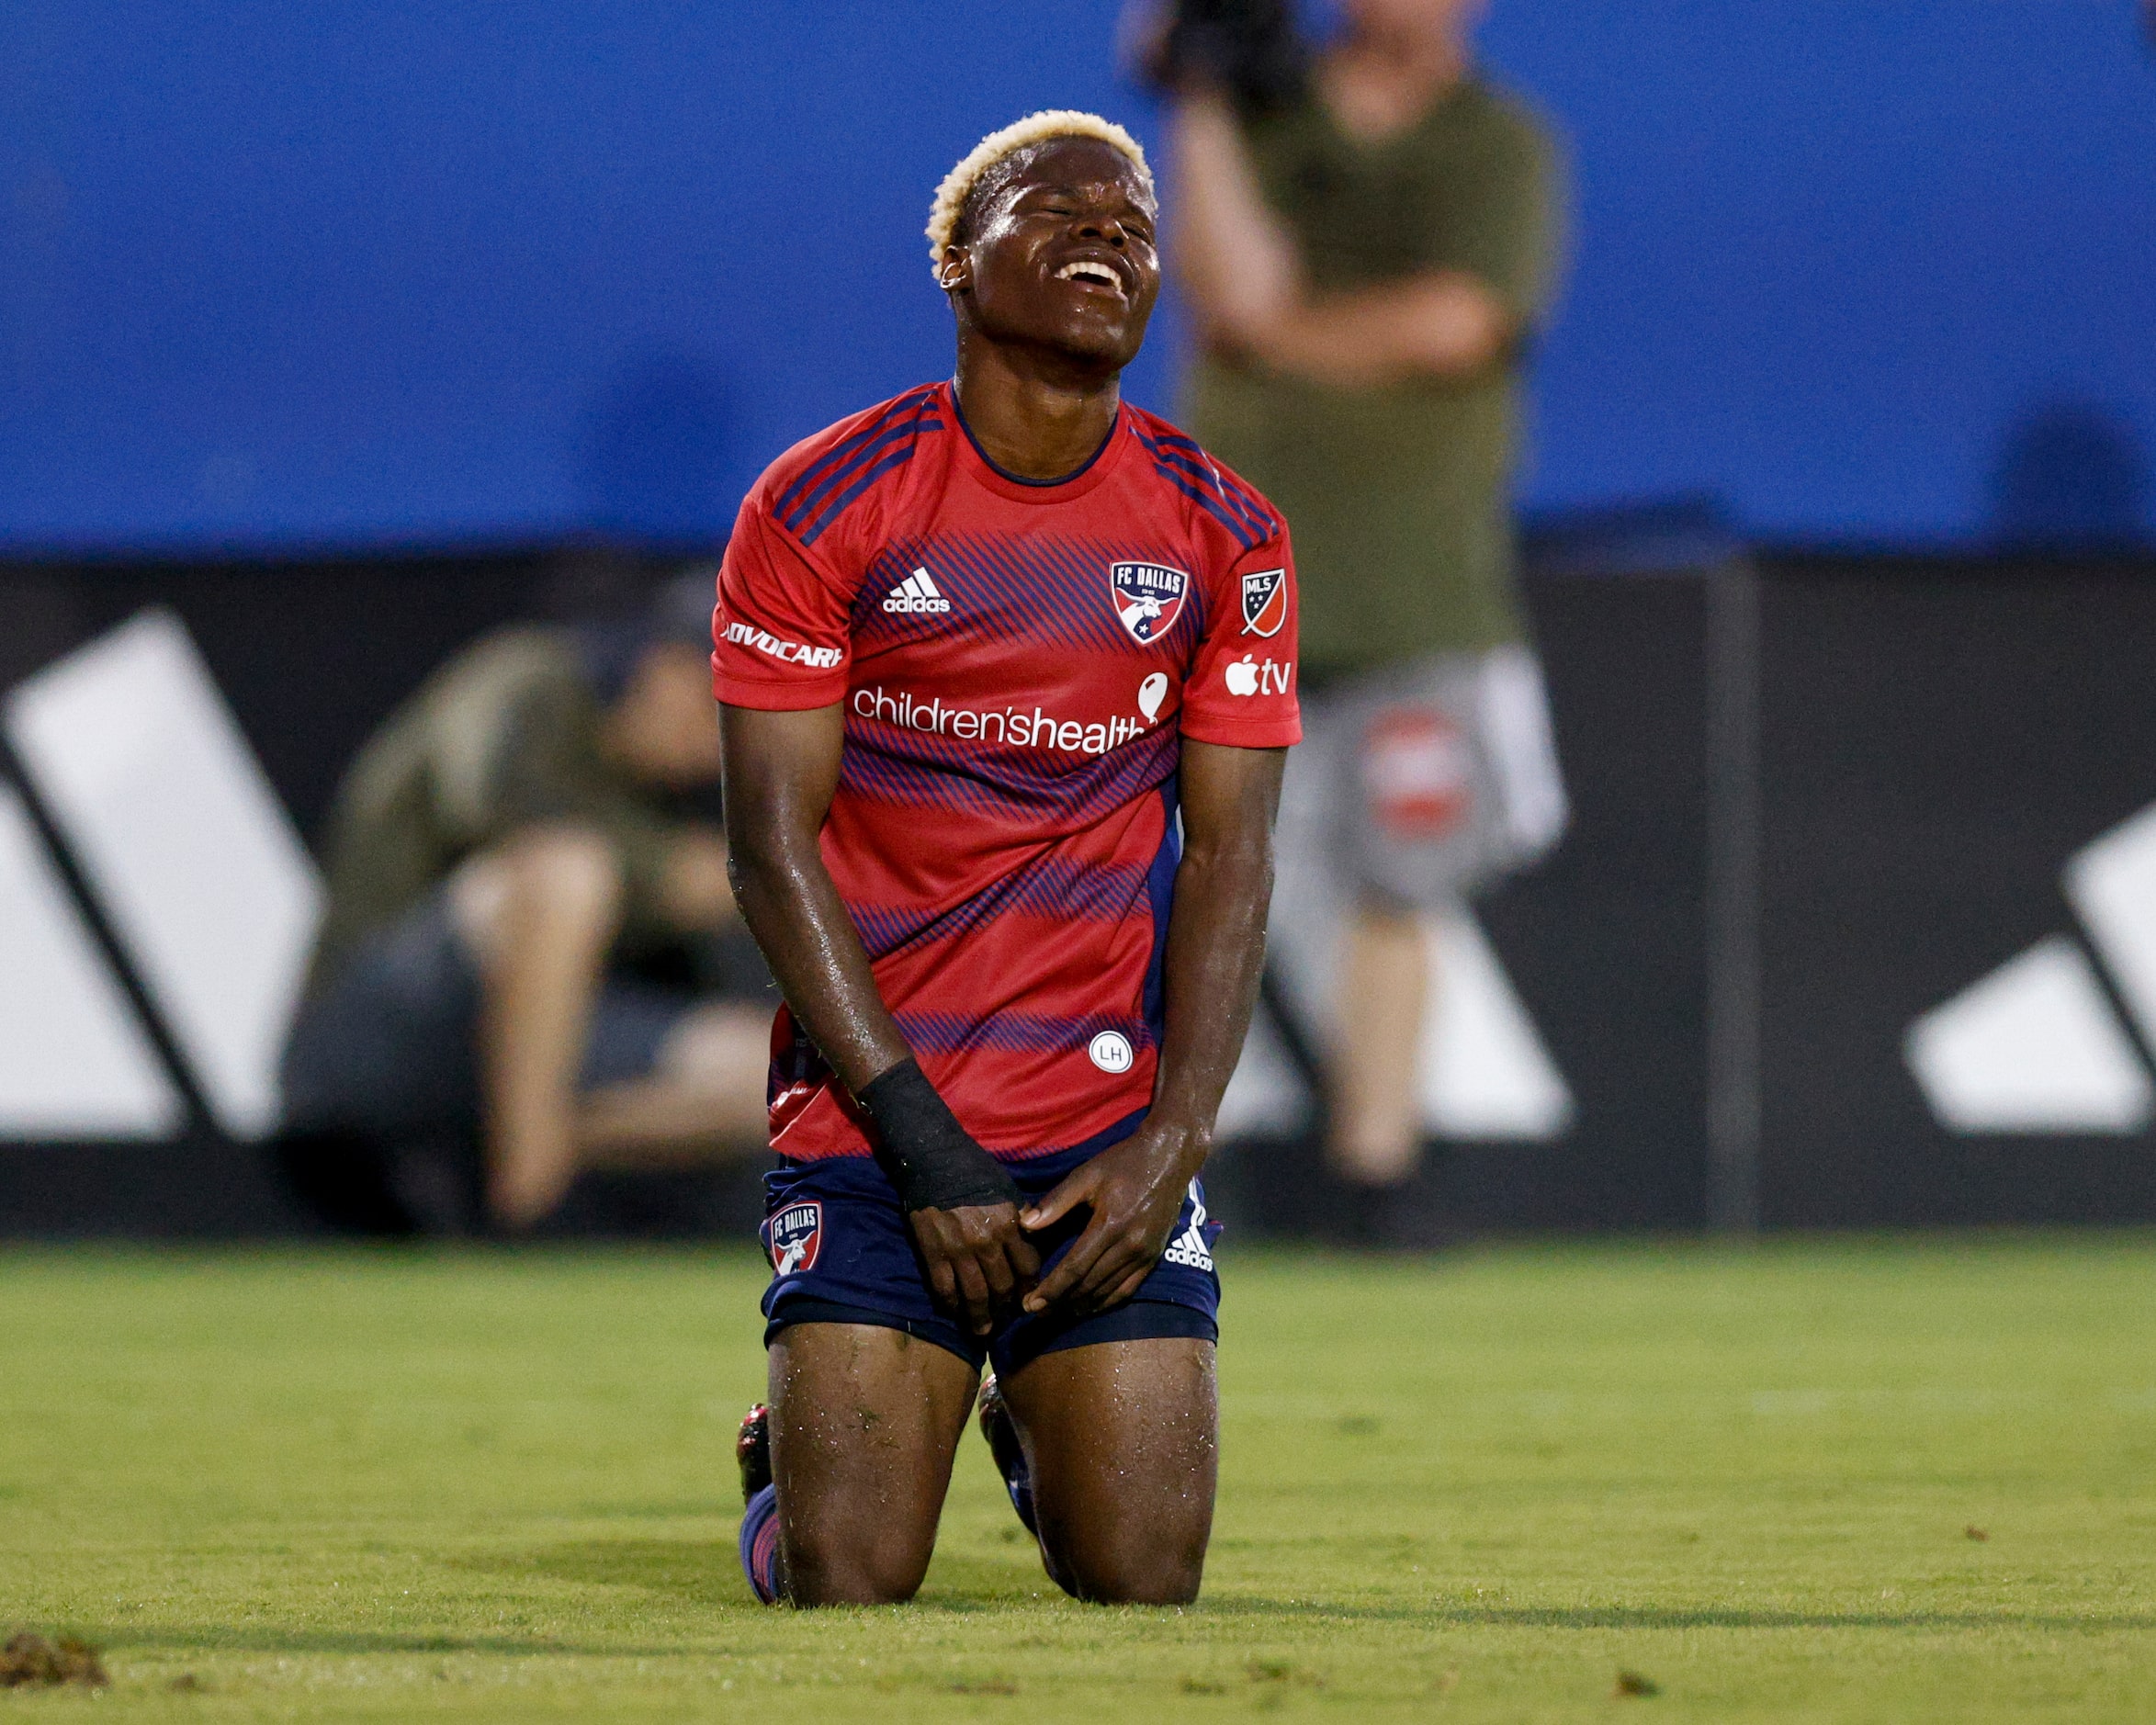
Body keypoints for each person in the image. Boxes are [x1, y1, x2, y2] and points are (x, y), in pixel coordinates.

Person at [716, 110, 1299, 1607]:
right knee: (849, 1579)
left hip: (1097, 1135)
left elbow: (1232, 859)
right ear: (958, 271)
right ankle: (783, 1470)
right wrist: (921, 1148)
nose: (1110, 233)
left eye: (1135, 222)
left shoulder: (1226, 529)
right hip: (876, 1130)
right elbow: (772, 849)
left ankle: (1025, 1426)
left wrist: (1173, 1136)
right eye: (1057, 210)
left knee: (1141, 1574)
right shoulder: (823, 501)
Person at [1158, 0, 1569, 1231]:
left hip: (1412, 584)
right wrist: (1193, 92)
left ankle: (1373, 1174)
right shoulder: (1259, 120)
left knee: (1404, 877)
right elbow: (1221, 286)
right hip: (1232, 576)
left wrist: (1277, 334)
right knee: (1193, 882)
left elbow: (1456, 323)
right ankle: (1168, 1166)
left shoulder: (1493, 141)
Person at [277, 578, 772, 1235]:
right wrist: (677, 873)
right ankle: (528, 1206)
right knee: (565, 873)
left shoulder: (697, 789)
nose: (718, 738)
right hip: (379, 1032)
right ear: (660, 667)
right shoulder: (529, 679)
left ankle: (527, 1154)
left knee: (784, 1073)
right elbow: (488, 808)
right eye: (713, 699)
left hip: (540, 1052)